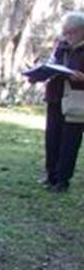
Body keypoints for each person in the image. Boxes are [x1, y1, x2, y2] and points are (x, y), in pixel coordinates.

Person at [42, 12, 84, 192]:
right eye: (65, 32)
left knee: (69, 141)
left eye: (71, 32)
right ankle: (51, 175)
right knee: (52, 137)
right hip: (55, 97)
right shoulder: (62, 46)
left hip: (76, 101)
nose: (67, 36)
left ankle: (62, 180)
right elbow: (53, 63)